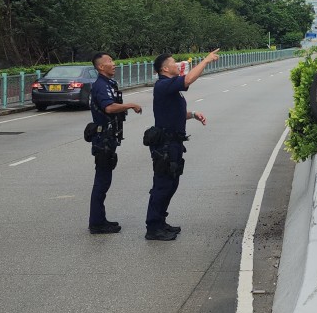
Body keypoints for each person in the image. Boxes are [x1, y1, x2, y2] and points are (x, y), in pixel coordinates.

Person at [145, 49, 220, 241]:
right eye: (173, 62)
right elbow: (188, 80)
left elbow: (174, 112)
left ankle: (160, 221)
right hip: (165, 145)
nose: (177, 64)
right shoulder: (163, 85)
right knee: (163, 184)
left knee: (172, 183)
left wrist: (193, 114)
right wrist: (206, 61)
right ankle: (153, 227)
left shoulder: (169, 87)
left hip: (174, 142)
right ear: (164, 68)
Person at [87, 52, 142, 234]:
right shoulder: (101, 86)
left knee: (104, 180)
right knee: (102, 181)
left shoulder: (109, 84)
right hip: (103, 140)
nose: (114, 63)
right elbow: (108, 107)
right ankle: (96, 223)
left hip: (109, 139)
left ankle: (100, 219)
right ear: (101, 67)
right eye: (110, 61)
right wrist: (130, 105)